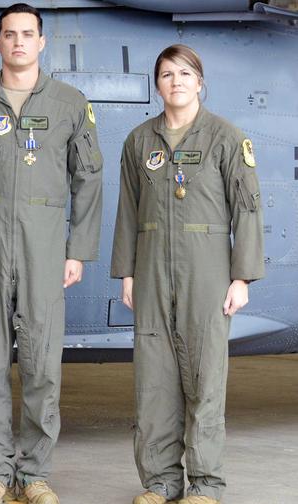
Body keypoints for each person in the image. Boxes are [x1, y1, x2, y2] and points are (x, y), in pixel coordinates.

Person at [0, 3, 103, 504]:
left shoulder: (71, 103)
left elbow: (89, 177)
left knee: (41, 363)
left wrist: (78, 250)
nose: (18, 43)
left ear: (41, 42)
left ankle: (34, 473)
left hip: (44, 245)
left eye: (27, 34)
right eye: (9, 35)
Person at [111, 45, 264, 504]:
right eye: (165, 74)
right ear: (156, 85)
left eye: (184, 73)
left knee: (204, 381)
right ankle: (160, 482)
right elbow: (128, 212)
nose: (175, 81)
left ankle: (205, 484)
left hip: (208, 272)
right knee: (154, 380)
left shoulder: (227, 138)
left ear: (200, 82)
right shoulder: (139, 141)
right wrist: (127, 274)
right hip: (152, 269)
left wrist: (242, 278)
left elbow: (247, 211)